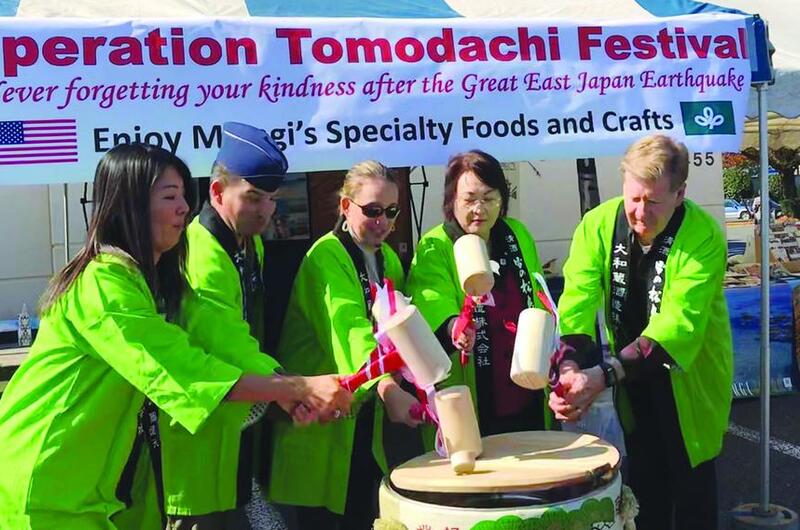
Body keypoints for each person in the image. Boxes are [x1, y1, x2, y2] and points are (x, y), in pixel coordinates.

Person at [0, 144, 350, 530]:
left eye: (185, 195)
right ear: (128, 204)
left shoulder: (148, 278)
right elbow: (182, 366)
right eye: (170, 196)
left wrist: (286, 388)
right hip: (46, 480)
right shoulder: (103, 282)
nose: (185, 207)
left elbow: (216, 341)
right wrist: (295, 388)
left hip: (93, 487)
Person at [550, 134, 733, 530]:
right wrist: (569, 371)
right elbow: (578, 305)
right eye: (633, 198)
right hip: (631, 382)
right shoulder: (597, 225)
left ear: (681, 192)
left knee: (693, 499)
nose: (640, 212)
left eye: (653, 202)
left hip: (689, 381)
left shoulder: (703, 236)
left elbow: (678, 326)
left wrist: (602, 375)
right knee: (644, 494)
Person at [151, 122, 296, 530]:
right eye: (252, 198)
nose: (266, 211)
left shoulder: (251, 243)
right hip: (198, 437)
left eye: (271, 199)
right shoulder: (201, 250)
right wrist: (288, 386)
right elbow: (225, 335)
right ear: (217, 192)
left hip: (237, 427)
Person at [269, 161, 422, 530]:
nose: (382, 221)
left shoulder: (386, 260)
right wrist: (387, 387)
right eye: (371, 210)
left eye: (391, 211)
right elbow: (349, 331)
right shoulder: (327, 256)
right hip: (321, 416)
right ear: (345, 207)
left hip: (363, 420)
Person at [406, 150, 553, 438]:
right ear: (452, 200)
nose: (479, 209)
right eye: (470, 199)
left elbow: (537, 297)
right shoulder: (435, 245)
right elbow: (430, 299)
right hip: (474, 388)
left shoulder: (516, 234)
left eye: (489, 198)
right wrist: (453, 327)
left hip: (524, 379)